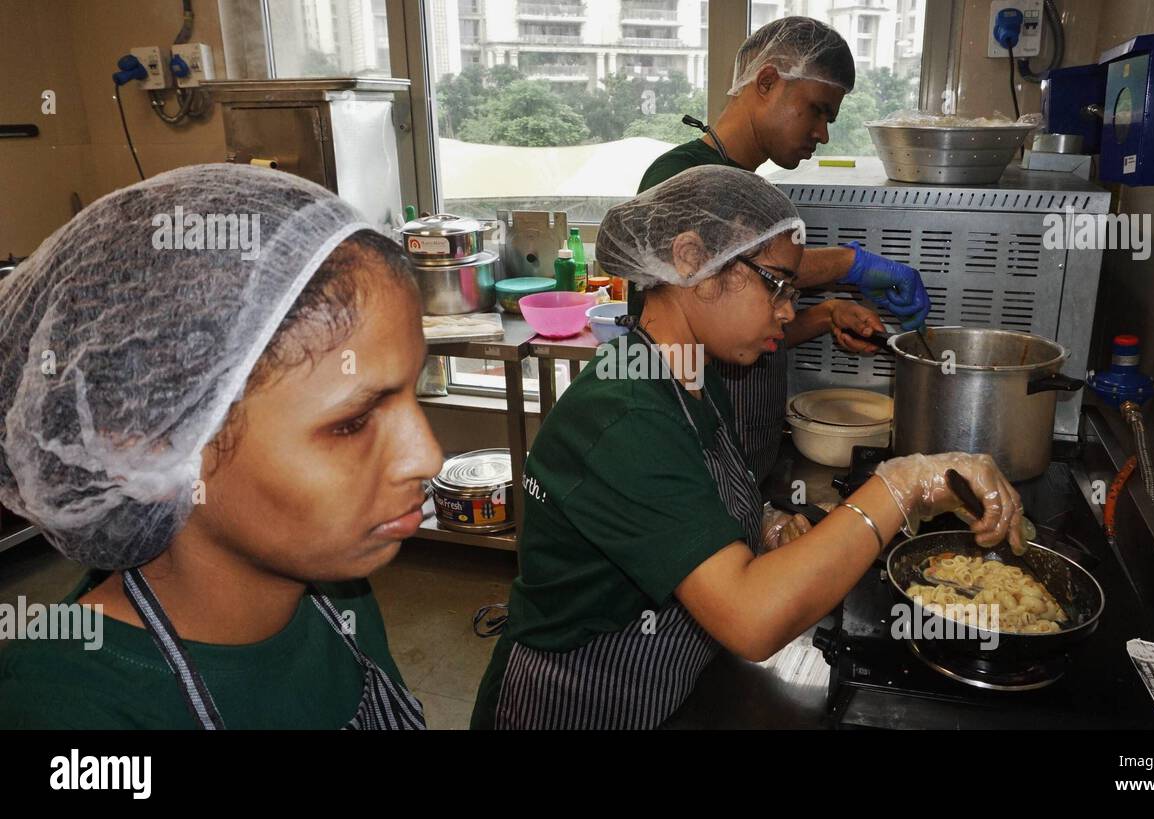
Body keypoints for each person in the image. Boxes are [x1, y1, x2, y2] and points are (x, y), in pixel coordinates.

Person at [470, 166, 1024, 730]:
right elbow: (751, 620)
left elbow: (688, 495)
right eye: (775, 283)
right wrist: (905, 484)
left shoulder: (689, 370)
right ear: (691, 260)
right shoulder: (624, 413)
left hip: (666, 688)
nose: (788, 309)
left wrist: (763, 524)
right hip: (575, 701)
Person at [0, 164, 443, 729]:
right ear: (147, 439)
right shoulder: (67, 706)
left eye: (414, 393)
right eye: (352, 423)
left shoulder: (340, 590)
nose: (427, 455)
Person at [633, 16, 934, 483]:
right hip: (695, 458)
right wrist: (851, 264)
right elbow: (697, 331)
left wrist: (826, 314)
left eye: (830, 118)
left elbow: (737, 326)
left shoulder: (751, 189)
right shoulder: (680, 178)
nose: (823, 133)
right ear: (768, 81)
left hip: (746, 456)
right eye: (816, 110)